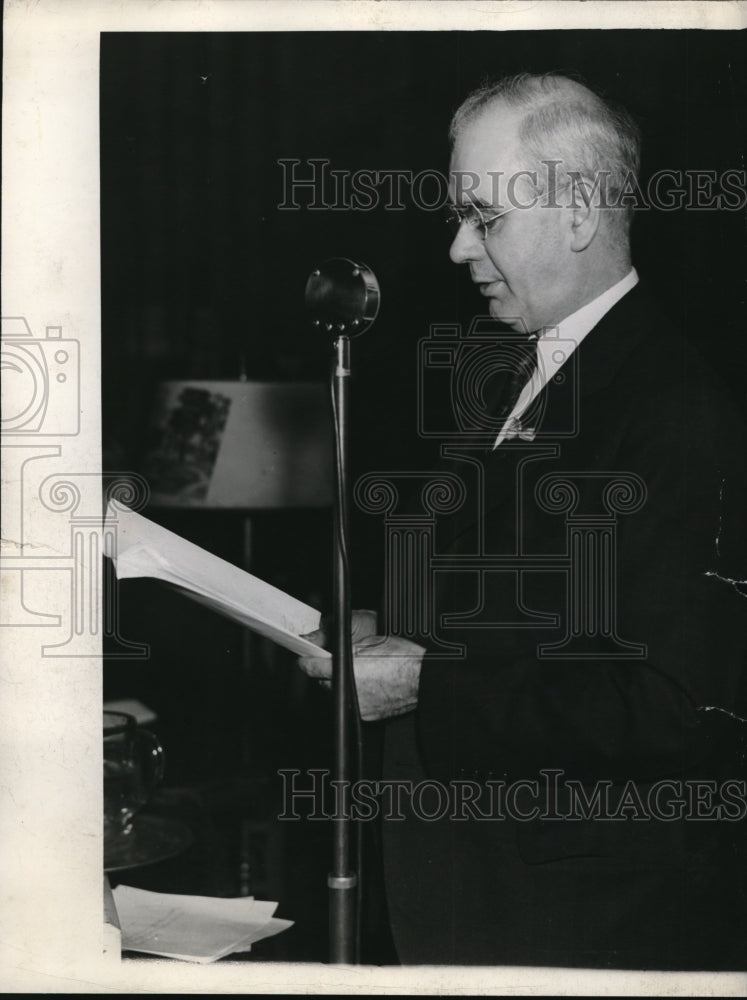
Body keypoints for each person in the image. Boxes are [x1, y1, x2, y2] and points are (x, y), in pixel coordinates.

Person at [300, 73, 747, 968]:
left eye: (485, 217)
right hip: (468, 894)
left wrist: (426, 682)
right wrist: (394, 633)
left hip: (577, 924)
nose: (460, 247)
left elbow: (671, 708)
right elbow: (531, 619)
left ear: (578, 209)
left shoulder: (674, 407)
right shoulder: (512, 368)